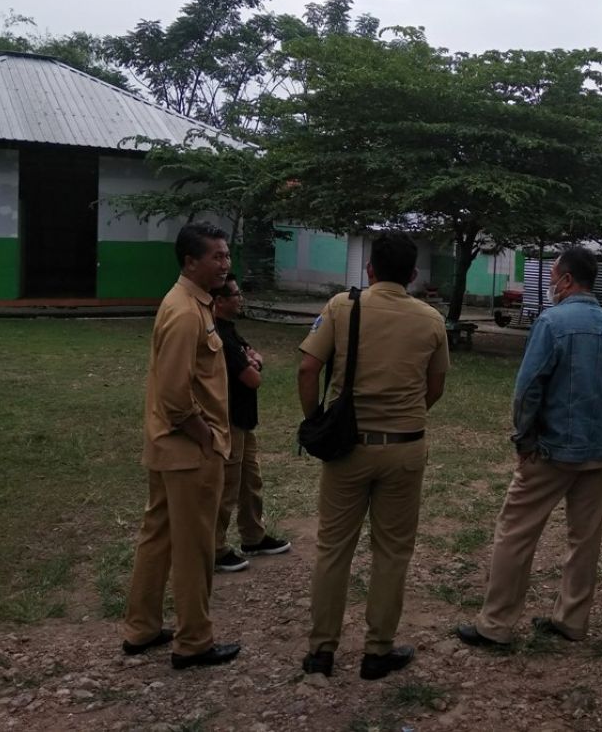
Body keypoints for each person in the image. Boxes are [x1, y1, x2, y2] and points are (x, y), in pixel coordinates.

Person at [457, 245, 602, 648]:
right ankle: (572, 620)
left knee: (516, 532)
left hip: (551, 451)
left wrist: (525, 440)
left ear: (567, 280)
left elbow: (528, 389)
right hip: (601, 452)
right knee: (585, 538)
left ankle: (495, 624)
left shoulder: (552, 323)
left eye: (553, 276)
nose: (549, 284)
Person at [297, 231, 449, 680]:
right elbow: (435, 386)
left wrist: (317, 419)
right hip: (405, 447)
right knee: (392, 552)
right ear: (413, 274)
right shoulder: (431, 320)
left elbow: (307, 367)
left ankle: (321, 651)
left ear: (369, 269)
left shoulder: (341, 307)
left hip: (348, 447)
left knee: (333, 549)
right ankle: (377, 651)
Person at [120, 222, 241, 670]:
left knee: (159, 536)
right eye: (216, 257)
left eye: (227, 255)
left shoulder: (190, 303)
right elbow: (175, 394)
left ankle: (142, 628)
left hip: (170, 448)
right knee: (194, 547)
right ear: (191, 262)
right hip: (188, 451)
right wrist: (205, 436)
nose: (225, 264)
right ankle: (193, 641)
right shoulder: (187, 311)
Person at [212, 273, 291, 574]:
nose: (240, 299)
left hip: (245, 422)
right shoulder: (220, 336)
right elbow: (252, 378)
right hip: (229, 421)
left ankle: (253, 537)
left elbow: (256, 357)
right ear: (219, 301)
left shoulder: (231, 331)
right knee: (227, 488)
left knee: (250, 482)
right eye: (235, 295)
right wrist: (253, 363)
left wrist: (254, 360)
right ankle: (215, 549)